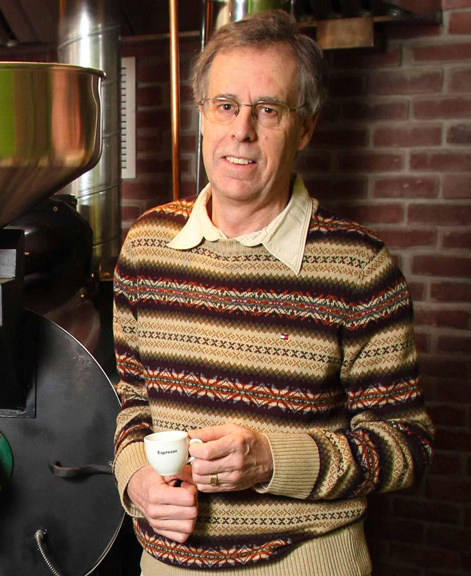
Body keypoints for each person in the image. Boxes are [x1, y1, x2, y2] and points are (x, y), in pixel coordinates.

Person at [111, 11, 433, 576]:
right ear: (203, 116)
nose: (242, 131)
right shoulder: (147, 246)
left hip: (307, 561)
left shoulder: (360, 268)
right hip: (167, 564)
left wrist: (273, 462)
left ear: (304, 127)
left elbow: (406, 446)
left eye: (269, 110)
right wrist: (137, 478)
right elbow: (133, 403)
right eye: (226, 105)